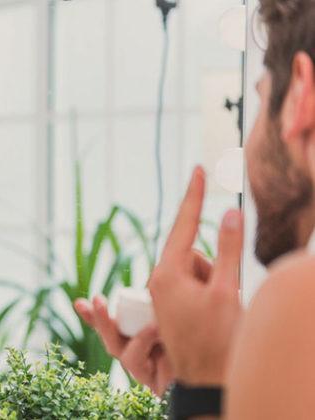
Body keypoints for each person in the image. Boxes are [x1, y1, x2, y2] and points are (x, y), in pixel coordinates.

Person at [76, 0, 315, 418]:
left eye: (258, 101)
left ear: (299, 92)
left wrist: (204, 380)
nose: (253, 134)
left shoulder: (299, 300)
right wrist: (196, 374)